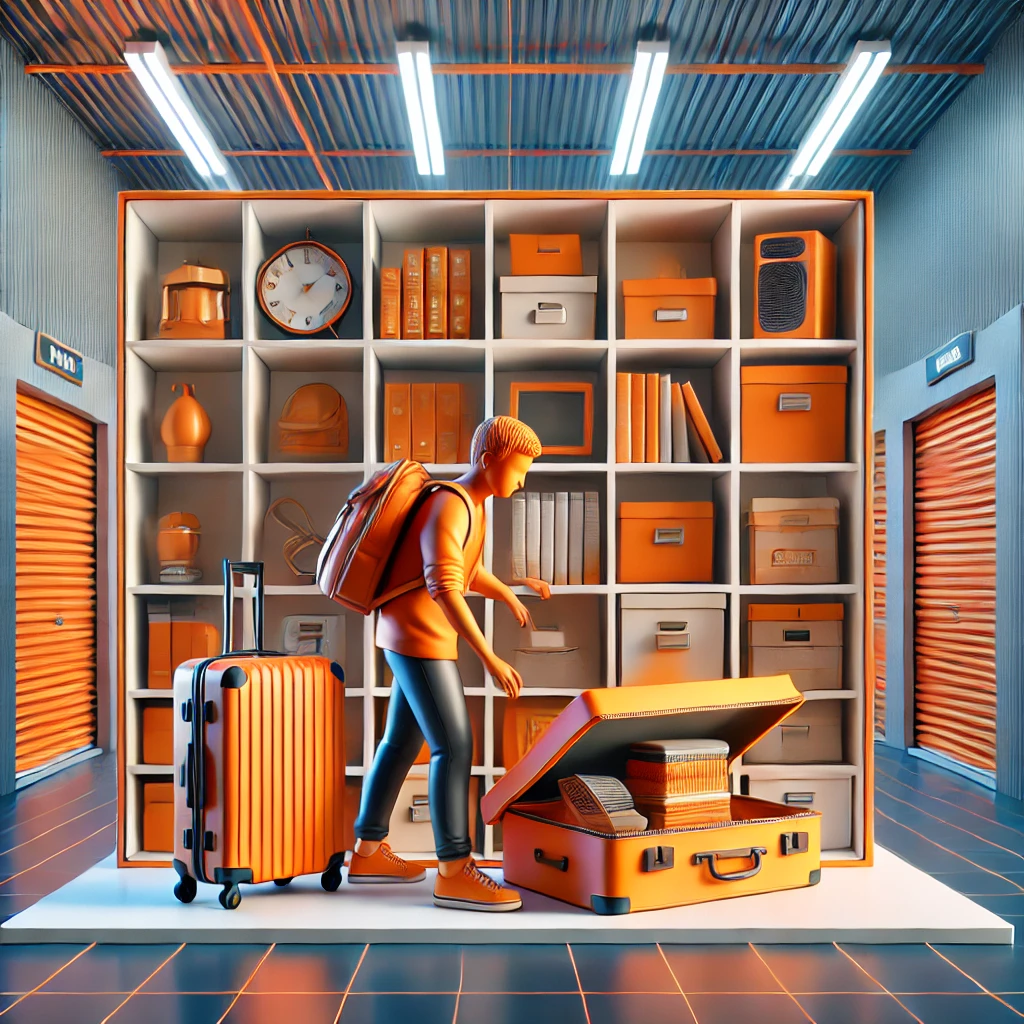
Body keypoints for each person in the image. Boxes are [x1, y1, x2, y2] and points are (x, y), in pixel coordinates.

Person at [347, 415, 548, 911]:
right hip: (418, 637)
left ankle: (366, 851)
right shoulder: (448, 504)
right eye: (518, 471)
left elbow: (469, 568)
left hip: (415, 635)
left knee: (400, 742)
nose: (522, 482)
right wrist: (490, 658)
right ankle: (454, 870)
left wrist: (510, 592)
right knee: (455, 747)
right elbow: (444, 587)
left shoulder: (471, 507)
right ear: (489, 461)